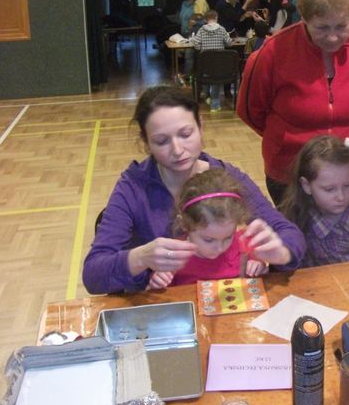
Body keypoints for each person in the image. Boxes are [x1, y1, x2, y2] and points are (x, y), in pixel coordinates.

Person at [82, 86, 305, 295]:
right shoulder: (132, 189)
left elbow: (289, 233)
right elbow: (93, 275)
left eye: (186, 134)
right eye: (161, 141)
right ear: (146, 143)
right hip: (163, 305)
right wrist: (140, 257)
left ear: (200, 127)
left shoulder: (226, 178)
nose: (178, 150)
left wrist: (281, 252)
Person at [236, 0, 349, 205]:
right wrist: (287, 138)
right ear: (304, 17)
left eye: (341, 26)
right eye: (322, 27)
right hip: (291, 173)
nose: (332, 37)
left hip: (348, 172)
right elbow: (251, 112)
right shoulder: (272, 52)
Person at [148, 168, 273, 289]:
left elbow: (260, 283)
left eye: (228, 237)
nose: (219, 248)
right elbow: (157, 295)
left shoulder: (246, 245)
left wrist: (260, 269)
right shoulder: (173, 255)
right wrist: (158, 282)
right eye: (208, 240)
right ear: (185, 225)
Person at [279, 135, 349, 267]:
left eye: (347, 185)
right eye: (329, 189)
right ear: (306, 185)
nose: (341, 197)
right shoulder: (293, 223)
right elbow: (285, 271)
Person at [192, 10, 234, 112]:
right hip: (219, 64)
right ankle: (215, 104)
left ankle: (207, 96)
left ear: (206, 19)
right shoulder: (222, 29)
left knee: (207, 77)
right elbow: (229, 43)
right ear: (216, 18)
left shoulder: (202, 30)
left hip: (205, 64)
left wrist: (202, 47)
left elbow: (196, 45)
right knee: (216, 80)